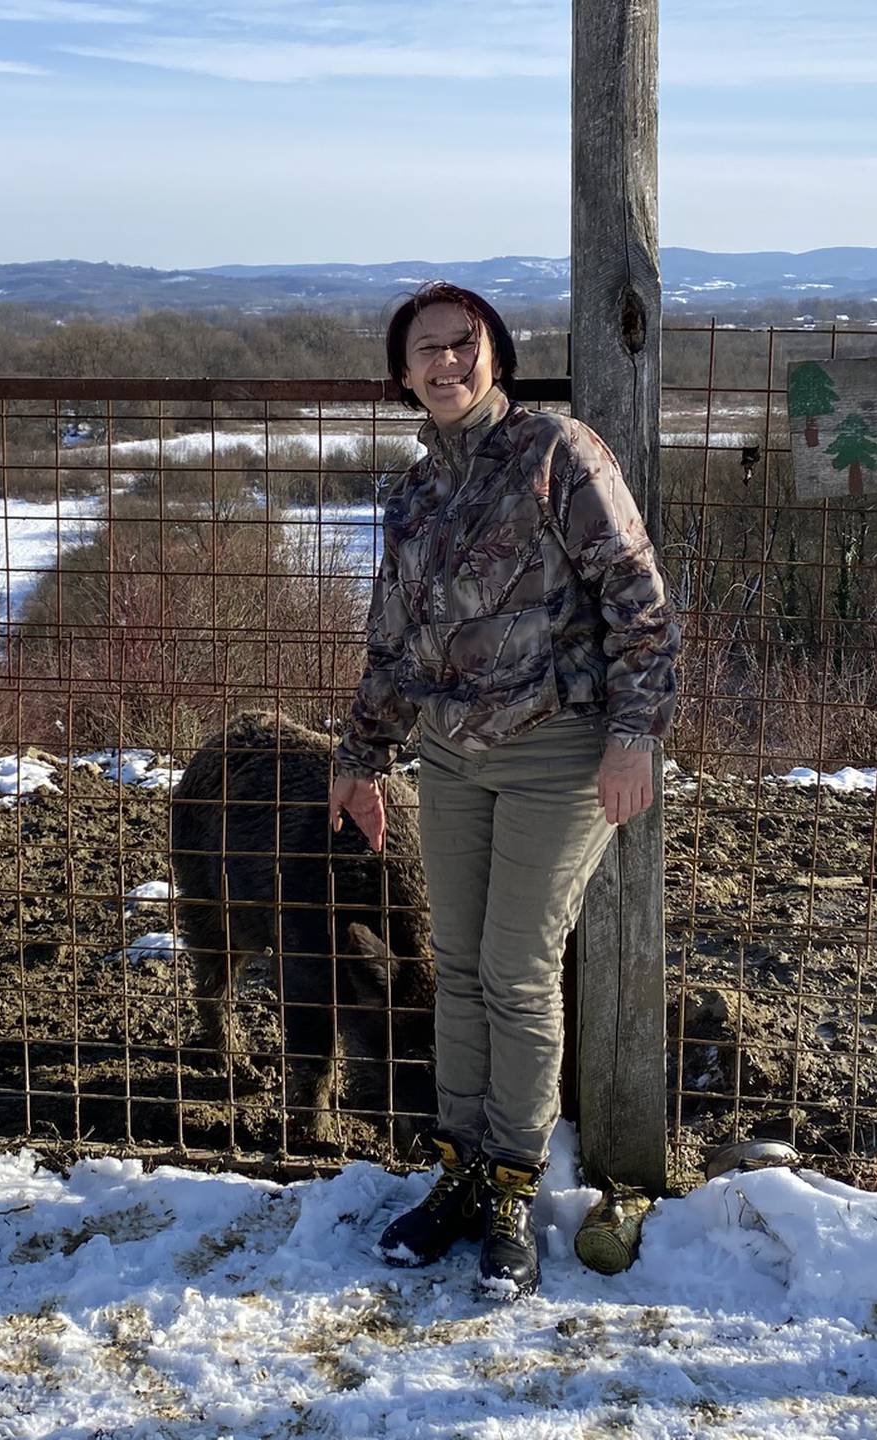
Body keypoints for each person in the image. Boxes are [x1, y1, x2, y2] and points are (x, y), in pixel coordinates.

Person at [328, 282, 679, 1299]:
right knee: (459, 966)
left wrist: (632, 737)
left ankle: (516, 1186)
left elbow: (637, 600)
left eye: (463, 344)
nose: (446, 363)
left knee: (519, 972)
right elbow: (392, 643)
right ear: (402, 376)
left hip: (556, 754)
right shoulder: (416, 494)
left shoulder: (560, 455)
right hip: (450, 756)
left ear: (497, 357)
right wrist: (360, 757)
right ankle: (462, 1171)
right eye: (426, 350)